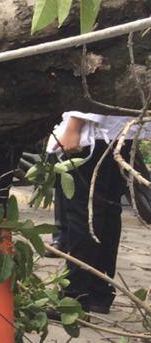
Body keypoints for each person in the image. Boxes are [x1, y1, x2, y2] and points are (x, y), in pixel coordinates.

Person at [47, 111, 148, 314]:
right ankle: (99, 293)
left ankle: (74, 297)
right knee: (108, 214)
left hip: (95, 133)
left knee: (84, 215)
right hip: (123, 133)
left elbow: (97, 81)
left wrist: (74, 125)